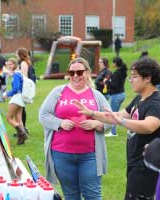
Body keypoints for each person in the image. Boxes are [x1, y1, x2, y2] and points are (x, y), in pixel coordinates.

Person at [74, 57, 160, 200]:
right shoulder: (139, 99)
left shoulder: (156, 102)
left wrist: (121, 121)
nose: (130, 80)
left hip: (147, 168)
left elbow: (149, 126)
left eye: (134, 77)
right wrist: (92, 113)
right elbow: (116, 116)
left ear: (148, 78)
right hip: (135, 164)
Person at [39, 57, 111, 200]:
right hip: (61, 154)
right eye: (72, 73)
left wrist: (96, 124)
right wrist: (60, 123)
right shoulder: (58, 92)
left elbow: (110, 118)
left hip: (90, 155)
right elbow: (43, 115)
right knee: (71, 195)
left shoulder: (96, 95)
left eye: (79, 72)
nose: (76, 76)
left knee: (93, 194)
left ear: (87, 72)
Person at [3, 58, 27, 145]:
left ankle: (22, 133)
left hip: (16, 98)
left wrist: (7, 94)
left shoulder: (16, 74)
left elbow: (16, 88)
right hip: (20, 98)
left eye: (11, 64)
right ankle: (22, 139)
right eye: (8, 64)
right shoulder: (17, 74)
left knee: (9, 118)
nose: (9, 66)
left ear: (15, 65)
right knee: (18, 119)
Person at [105, 57, 127, 137]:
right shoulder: (122, 71)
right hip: (122, 94)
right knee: (117, 114)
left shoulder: (117, 73)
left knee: (113, 114)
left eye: (113, 62)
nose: (112, 64)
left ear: (116, 63)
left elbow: (115, 85)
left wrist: (107, 82)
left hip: (116, 95)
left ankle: (113, 132)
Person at [16, 47, 35, 136]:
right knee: (21, 109)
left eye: (17, 54)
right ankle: (22, 129)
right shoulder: (26, 62)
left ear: (20, 55)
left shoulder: (23, 63)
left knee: (20, 109)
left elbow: (24, 77)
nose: (16, 56)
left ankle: (22, 129)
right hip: (24, 88)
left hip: (23, 88)